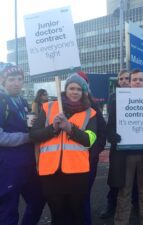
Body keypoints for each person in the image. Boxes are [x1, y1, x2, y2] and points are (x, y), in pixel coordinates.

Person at [30, 72, 97, 225]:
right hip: (50, 172)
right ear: (65, 90)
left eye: (79, 89)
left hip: (77, 173)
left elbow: (89, 140)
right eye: (71, 88)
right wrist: (53, 128)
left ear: (83, 92)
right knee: (57, 214)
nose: (75, 92)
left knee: (76, 213)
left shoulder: (90, 113)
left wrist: (70, 128)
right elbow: (33, 135)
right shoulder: (48, 107)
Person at [107, 69, 143, 225]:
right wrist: (112, 135)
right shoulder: (119, 99)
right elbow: (111, 125)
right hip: (125, 155)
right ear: (130, 82)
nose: (137, 82)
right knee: (124, 192)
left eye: (140, 79)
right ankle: (121, 222)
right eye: (134, 80)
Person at [0, 65, 44, 225]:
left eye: (20, 79)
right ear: (2, 81)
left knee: (38, 200)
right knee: (8, 211)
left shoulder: (23, 101)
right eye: (11, 79)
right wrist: (28, 137)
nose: (16, 83)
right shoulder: (1, 101)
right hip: (8, 167)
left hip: (28, 164)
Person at [100, 69, 139, 219]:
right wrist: (111, 135)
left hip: (136, 144)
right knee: (116, 177)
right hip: (119, 144)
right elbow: (110, 121)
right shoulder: (113, 97)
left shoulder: (141, 96)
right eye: (121, 79)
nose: (124, 81)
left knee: (136, 178)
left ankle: (136, 204)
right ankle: (111, 205)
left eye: (127, 78)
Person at [74, 71, 107, 225]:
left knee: (84, 196)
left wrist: (93, 154)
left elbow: (101, 134)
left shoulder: (94, 107)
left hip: (88, 161)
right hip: (68, 163)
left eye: (81, 85)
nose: (77, 90)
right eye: (73, 87)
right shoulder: (62, 107)